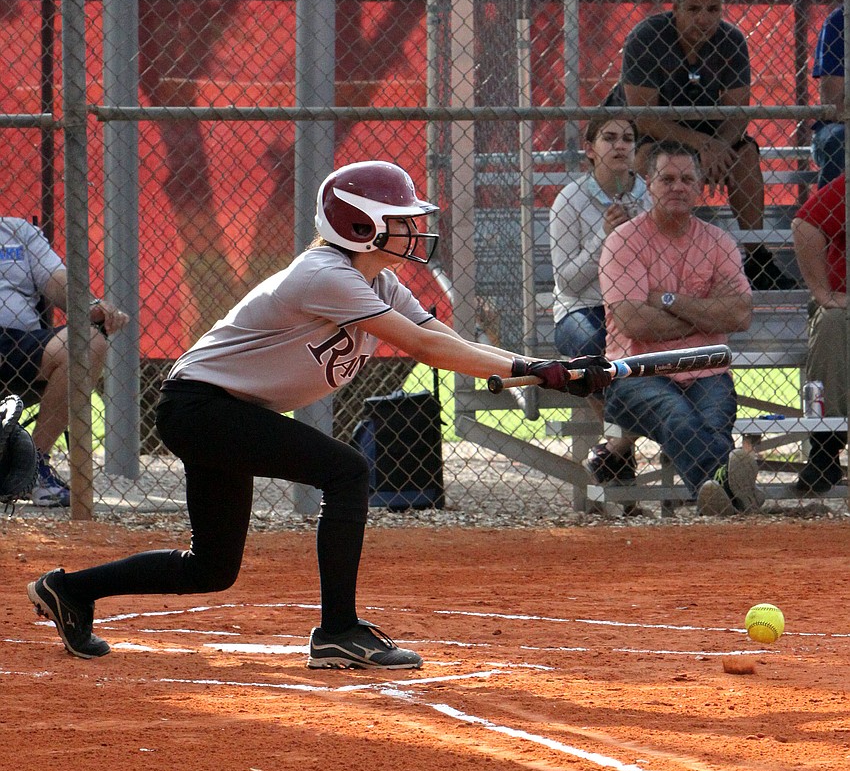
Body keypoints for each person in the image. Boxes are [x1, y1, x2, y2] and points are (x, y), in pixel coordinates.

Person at [26, 160, 612, 665]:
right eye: (401, 220)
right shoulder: (323, 274)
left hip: (220, 409)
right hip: (200, 406)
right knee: (348, 471)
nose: (414, 229)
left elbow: (446, 339)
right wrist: (540, 371)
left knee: (211, 568)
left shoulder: (375, 279)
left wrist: (544, 367)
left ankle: (69, 590)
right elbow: (427, 350)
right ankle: (338, 633)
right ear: (361, 225)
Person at [598, 141, 762, 515]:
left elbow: (740, 315)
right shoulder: (623, 242)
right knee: (679, 416)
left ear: (700, 188)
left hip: (707, 369)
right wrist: (706, 312)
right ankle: (736, 494)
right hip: (636, 372)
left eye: (687, 179)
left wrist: (667, 300)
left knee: (711, 424)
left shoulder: (717, 242)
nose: (678, 186)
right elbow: (633, 322)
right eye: (667, 178)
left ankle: (723, 500)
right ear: (649, 184)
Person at [613, 0, 792, 291]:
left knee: (747, 153)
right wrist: (700, 144)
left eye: (713, 9)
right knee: (645, 160)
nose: (704, 18)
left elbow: (738, 113)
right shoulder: (647, 37)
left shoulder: (731, 40)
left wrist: (720, 145)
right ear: (676, 7)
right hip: (655, 134)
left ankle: (756, 256)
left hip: (708, 136)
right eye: (694, 8)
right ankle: (654, 246)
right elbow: (643, 116)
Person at [0, 216, 129, 506]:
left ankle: (30, 467)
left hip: (20, 342)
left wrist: (89, 306)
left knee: (89, 342)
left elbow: (57, 280)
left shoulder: (18, 231)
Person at [549, 112, 648, 483]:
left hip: (636, 303)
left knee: (657, 350)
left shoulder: (650, 195)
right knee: (595, 347)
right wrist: (605, 236)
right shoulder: (570, 200)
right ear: (590, 149)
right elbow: (568, 282)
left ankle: (614, 450)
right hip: (582, 307)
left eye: (627, 138)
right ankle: (623, 448)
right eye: (609, 138)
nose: (620, 145)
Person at [791, 172, 847, 493]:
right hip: (846, 304)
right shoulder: (848, 187)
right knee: (830, 322)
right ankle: (826, 448)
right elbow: (805, 224)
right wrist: (824, 293)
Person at [811, 4, 845, 189]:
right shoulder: (840, 20)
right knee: (840, 140)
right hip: (841, 124)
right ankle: (826, 218)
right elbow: (833, 103)